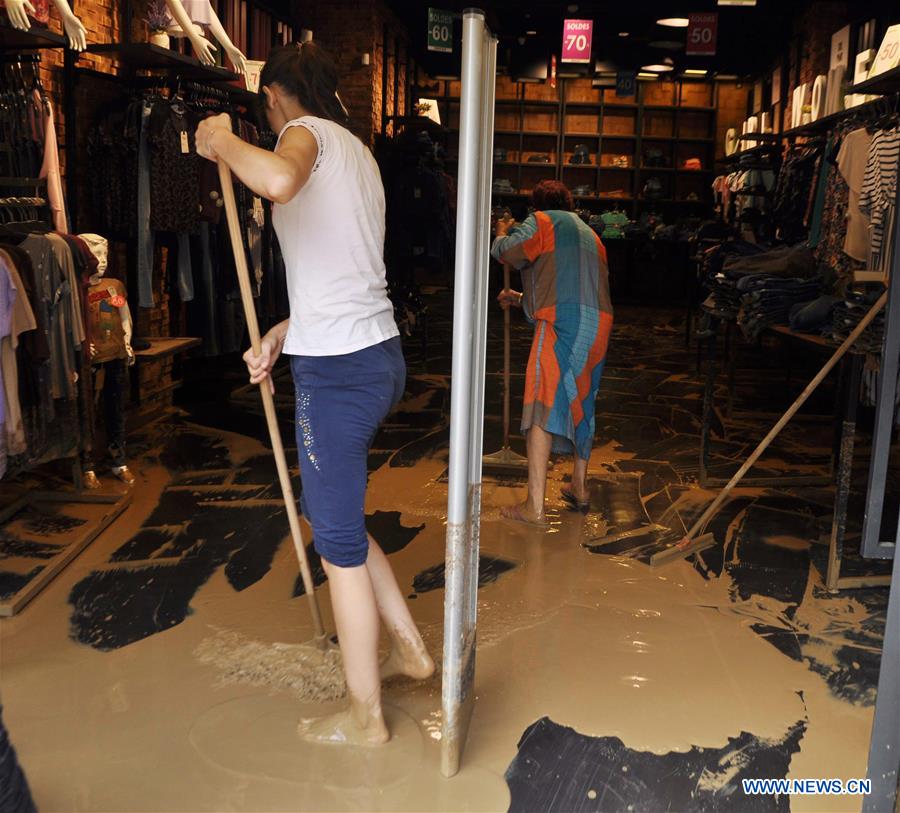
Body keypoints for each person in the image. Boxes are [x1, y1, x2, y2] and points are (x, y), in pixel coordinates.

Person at [195, 42, 434, 746]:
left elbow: (275, 182)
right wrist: (282, 331)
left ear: (274, 96)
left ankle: (366, 719)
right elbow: (346, 274)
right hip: (374, 353)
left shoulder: (298, 137)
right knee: (344, 524)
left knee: (333, 542)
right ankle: (413, 651)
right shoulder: (357, 153)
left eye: (262, 110)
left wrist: (220, 139)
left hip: (339, 375)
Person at [491, 181, 613, 527]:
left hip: (562, 321)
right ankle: (579, 485)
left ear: (537, 205)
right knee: (583, 400)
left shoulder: (543, 221)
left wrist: (500, 233)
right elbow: (565, 282)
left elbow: (510, 253)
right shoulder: (591, 235)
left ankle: (534, 507)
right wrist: (517, 298)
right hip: (599, 323)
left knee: (541, 400)